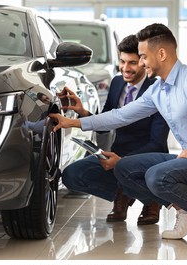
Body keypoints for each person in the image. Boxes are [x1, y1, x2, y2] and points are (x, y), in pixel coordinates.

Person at [50, 23, 187, 249]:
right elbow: (120, 116)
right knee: (124, 168)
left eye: (142, 56)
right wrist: (73, 121)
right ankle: (186, 211)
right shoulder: (158, 90)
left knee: (156, 176)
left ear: (161, 54)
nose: (141, 63)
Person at [60, 34, 170, 225]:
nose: (126, 68)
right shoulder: (117, 83)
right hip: (116, 154)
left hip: (148, 160)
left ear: (144, 61)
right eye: (122, 61)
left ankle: (151, 199)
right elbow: (105, 126)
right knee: (72, 175)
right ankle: (124, 193)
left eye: (133, 63)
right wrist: (82, 112)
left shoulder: (158, 90)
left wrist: (123, 162)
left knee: (129, 167)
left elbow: (157, 143)